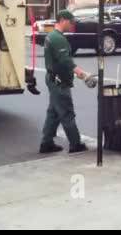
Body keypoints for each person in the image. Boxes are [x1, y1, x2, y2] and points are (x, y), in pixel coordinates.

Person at [40, 10, 97, 154]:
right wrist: (82, 74)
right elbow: (66, 61)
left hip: (53, 79)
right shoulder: (58, 39)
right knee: (66, 113)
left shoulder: (51, 36)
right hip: (59, 82)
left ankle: (46, 143)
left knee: (53, 113)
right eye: (71, 22)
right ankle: (75, 144)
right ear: (63, 20)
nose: (72, 25)